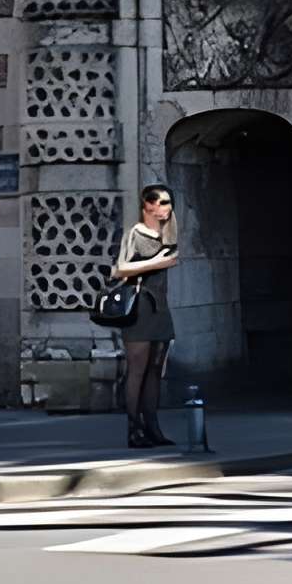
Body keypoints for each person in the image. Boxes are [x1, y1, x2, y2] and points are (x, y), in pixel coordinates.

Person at [112, 182, 182, 449]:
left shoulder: (167, 235)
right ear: (147, 205)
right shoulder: (136, 233)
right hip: (139, 307)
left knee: (155, 371)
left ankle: (153, 427)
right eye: (160, 202)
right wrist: (157, 262)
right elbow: (120, 269)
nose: (165, 208)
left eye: (168, 202)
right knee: (137, 371)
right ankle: (133, 429)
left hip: (160, 309)